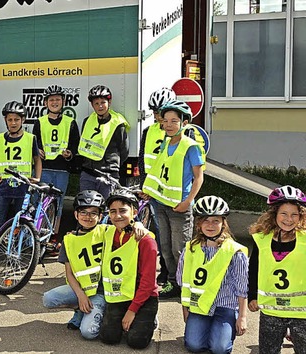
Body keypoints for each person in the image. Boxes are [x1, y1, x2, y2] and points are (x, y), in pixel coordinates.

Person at [142, 99, 204, 298]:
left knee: (180, 249)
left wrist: (188, 202)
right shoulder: (165, 143)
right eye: (166, 121)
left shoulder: (190, 146)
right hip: (161, 203)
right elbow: (160, 171)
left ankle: (185, 284)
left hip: (180, 206)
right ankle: (172, 283)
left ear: (184, 123)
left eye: (174, 121)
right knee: (166, 248)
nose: (168, 125)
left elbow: (199, 177)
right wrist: (149, 191)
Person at [177, 196, 248, 353]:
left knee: (220, 349)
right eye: (205, 221)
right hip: (200, 306)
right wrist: (186, 310)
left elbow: (242, 287)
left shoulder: (234, 251)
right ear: (199, 224)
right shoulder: (190, 249)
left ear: (223, 223)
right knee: (193, 345)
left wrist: (242, 317)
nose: (210, 225)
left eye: (215, 221)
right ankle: (207, 329)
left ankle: (222, 329)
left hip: (224, 306)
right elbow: (184, 282)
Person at [0, 101, 41, 263]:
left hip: (23, 186)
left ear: (23, 120)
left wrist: (37, 177)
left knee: (21, 220)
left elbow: (37, 159)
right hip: (5, 185)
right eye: (10, 120)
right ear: (5, 120)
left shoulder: (30, 138)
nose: (13, 123)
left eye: (16, 120)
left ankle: (16, 250)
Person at [248, 185, 306, 353]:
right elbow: (254, 268)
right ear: (274, 215)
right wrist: (252, 294)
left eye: (294, 214)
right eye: (284, 214)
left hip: (301, 312)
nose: (289, 219)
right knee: (268, 350)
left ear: (301, 215)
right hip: (271, 310)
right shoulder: (262, 239)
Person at [43, 190, 107, 339]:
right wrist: (80, 297)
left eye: (93, 213)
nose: (88, 217)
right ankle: (80, 309)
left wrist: (138, 226)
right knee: (48, 299)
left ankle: (102, 311)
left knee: (88, 333)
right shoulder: (69, 239)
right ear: (76, 215)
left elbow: (124, 225)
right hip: (81, 289)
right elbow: (69, 273)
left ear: (101, 216)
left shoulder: (106, 231)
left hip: (101, 292)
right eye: (83, 212)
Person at [99, 189, 158, 350]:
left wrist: (132, 310)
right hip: (121, 294)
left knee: (136, 342)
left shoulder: (146, 240)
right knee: (109, 338)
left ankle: (149, 319)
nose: (117, 216)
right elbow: (88, 230)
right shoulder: (108, 232)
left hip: (144, 296)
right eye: (113, 212)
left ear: (134, 211)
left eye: (123, 211)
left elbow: (148, 282)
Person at [32, 84, 80, 239]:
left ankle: (53, 236)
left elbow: (75, 144)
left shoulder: (70, 122)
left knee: (57, 204)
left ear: (63, 101)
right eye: (51, 100)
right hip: (44, 168)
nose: (54, 102)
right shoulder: (39, 122)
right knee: (39, 202)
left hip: (61, 169)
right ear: (46, 102)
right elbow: (35, 142)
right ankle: (36, 233)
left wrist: (70, 153)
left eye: (57, 99)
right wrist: (38, 150)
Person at [140, 87, 176, 286]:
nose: (157, 116)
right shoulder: (149, 131)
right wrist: (146, 187)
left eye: (160, 112)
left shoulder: (179, 132)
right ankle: (164, 271)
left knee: (175, 237)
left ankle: (175, 274)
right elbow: (144, 161)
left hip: (173, 192)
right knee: (161, 235)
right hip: (154, 192)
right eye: (154, 112)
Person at [77, 85, 129, 199]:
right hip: (88, 173)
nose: (100, 106)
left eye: (103, 102)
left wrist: (111, 165)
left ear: (109, 102)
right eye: (96, 103)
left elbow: (124, 150)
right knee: (86, 209)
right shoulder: (87, 121)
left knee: (107, 210)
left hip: (108, 175)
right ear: (92, 105)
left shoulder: (118, 124)